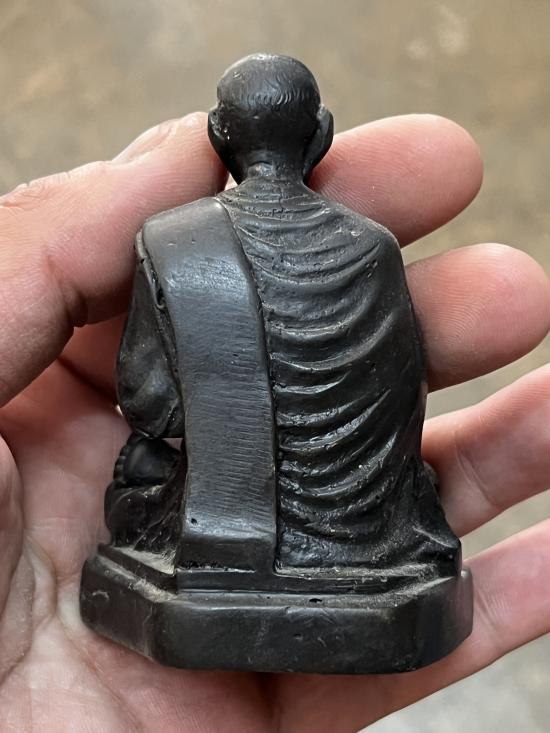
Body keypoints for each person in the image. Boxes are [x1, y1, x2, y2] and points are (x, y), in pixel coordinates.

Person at [0, 109, 548, 731]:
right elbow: (403, 400)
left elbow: (152, 405)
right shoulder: (373, 246)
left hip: (212, 537)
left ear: (219, 139)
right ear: (320, 134)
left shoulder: (176, 242)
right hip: (369, 536)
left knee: (143, 472)